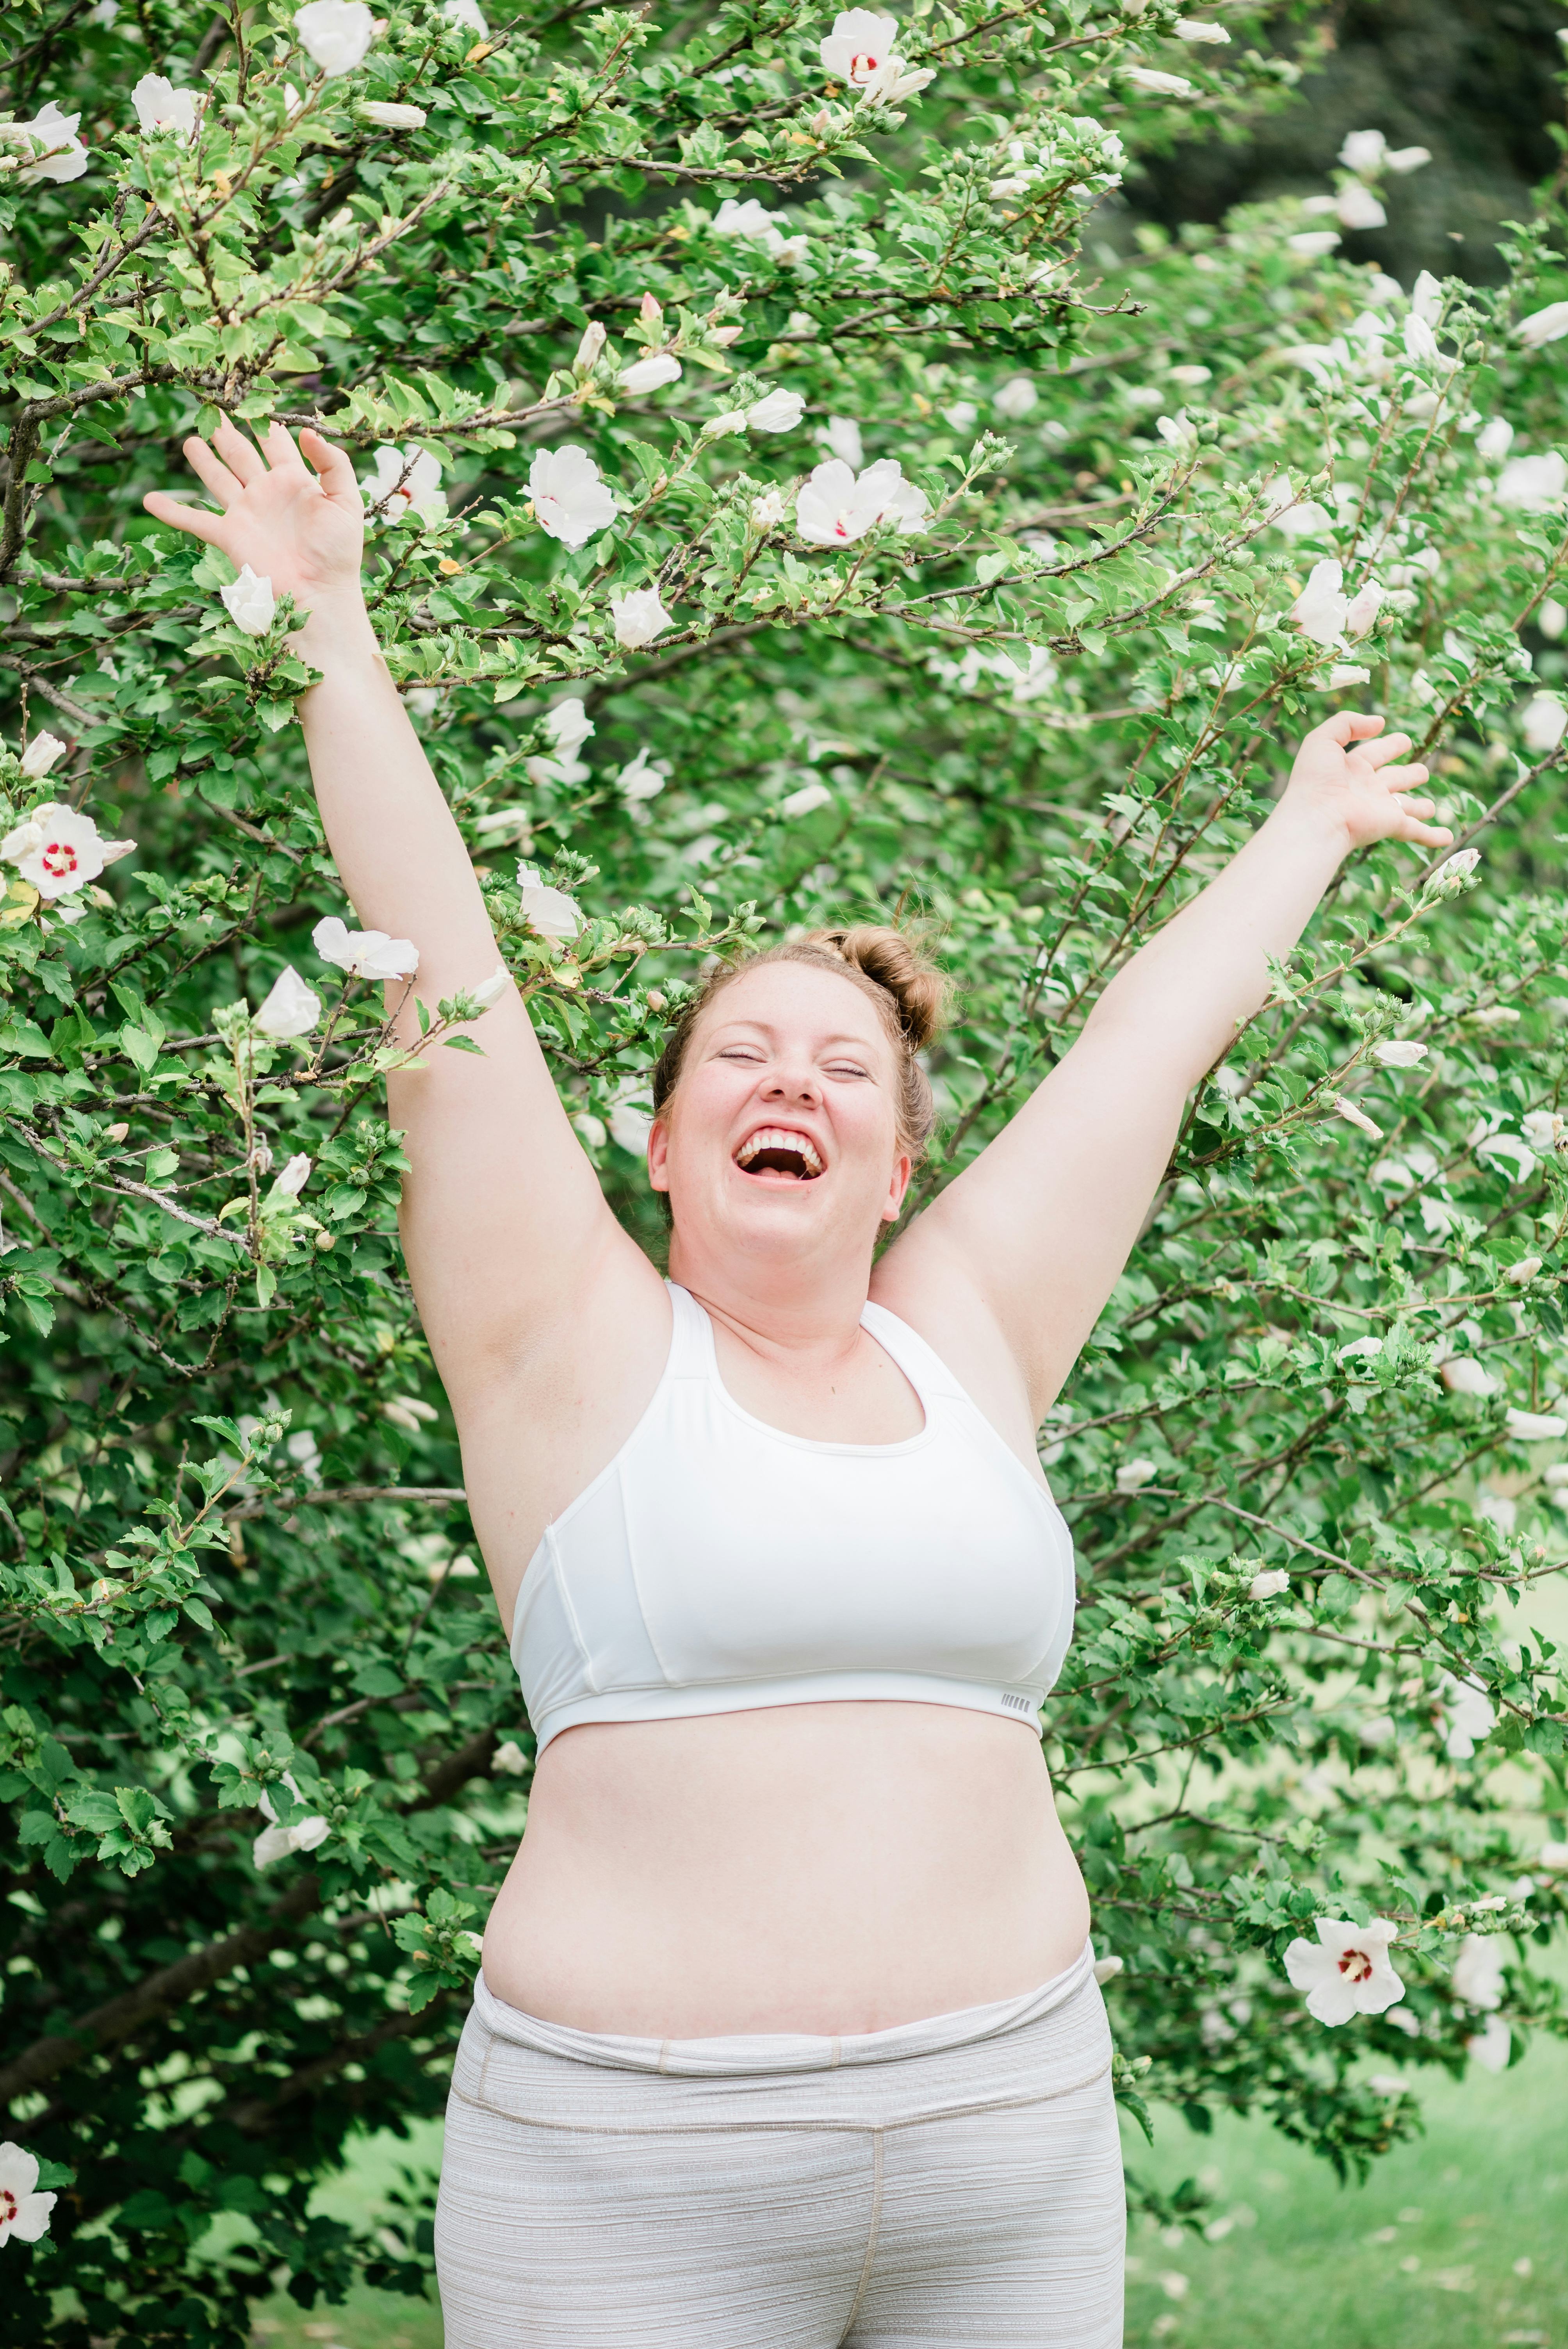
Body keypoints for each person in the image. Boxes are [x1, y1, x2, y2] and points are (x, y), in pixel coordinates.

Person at [145, 420, 1448, 2347]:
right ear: (659, 1149)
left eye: (843, 1070)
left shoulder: (972, 1333)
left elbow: (1141, 1053)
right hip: (631, 2185)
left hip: (1008, 2141)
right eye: (738, 1059)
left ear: (898, 1162)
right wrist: (328, 616)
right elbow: (445, 986)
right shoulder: (564, 1346)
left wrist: (1298, 832)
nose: (791, 1087)